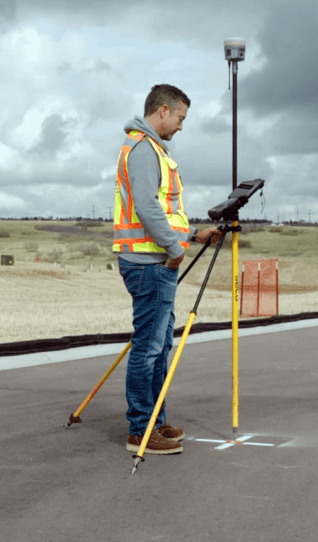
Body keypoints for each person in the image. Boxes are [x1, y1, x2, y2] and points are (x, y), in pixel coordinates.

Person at [113, 84, 222, 455]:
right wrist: (176, 250)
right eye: (179, 117)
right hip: (149, 263)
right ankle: (140, 430)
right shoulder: (143, 149)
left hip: (157, 260)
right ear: (163, 110)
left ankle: (154, 422)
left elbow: (163, 211)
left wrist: (192, 233)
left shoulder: (152, 150)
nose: (180, 126)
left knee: (159, 347)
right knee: (148, 348)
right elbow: (146, 206)